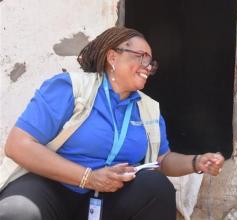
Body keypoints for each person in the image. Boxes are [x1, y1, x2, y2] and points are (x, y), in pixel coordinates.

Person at [0, 27, 224, 220]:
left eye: (150, 61)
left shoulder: (148, 108)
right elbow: (18, 145)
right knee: (18, 211)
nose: (147, 66)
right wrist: (88, 177)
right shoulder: (71, 88)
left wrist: (196, 162)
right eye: (140, 56)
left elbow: (161, 161)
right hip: (52, 185)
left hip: (107, 197)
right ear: (112, 57)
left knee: (157, 188)